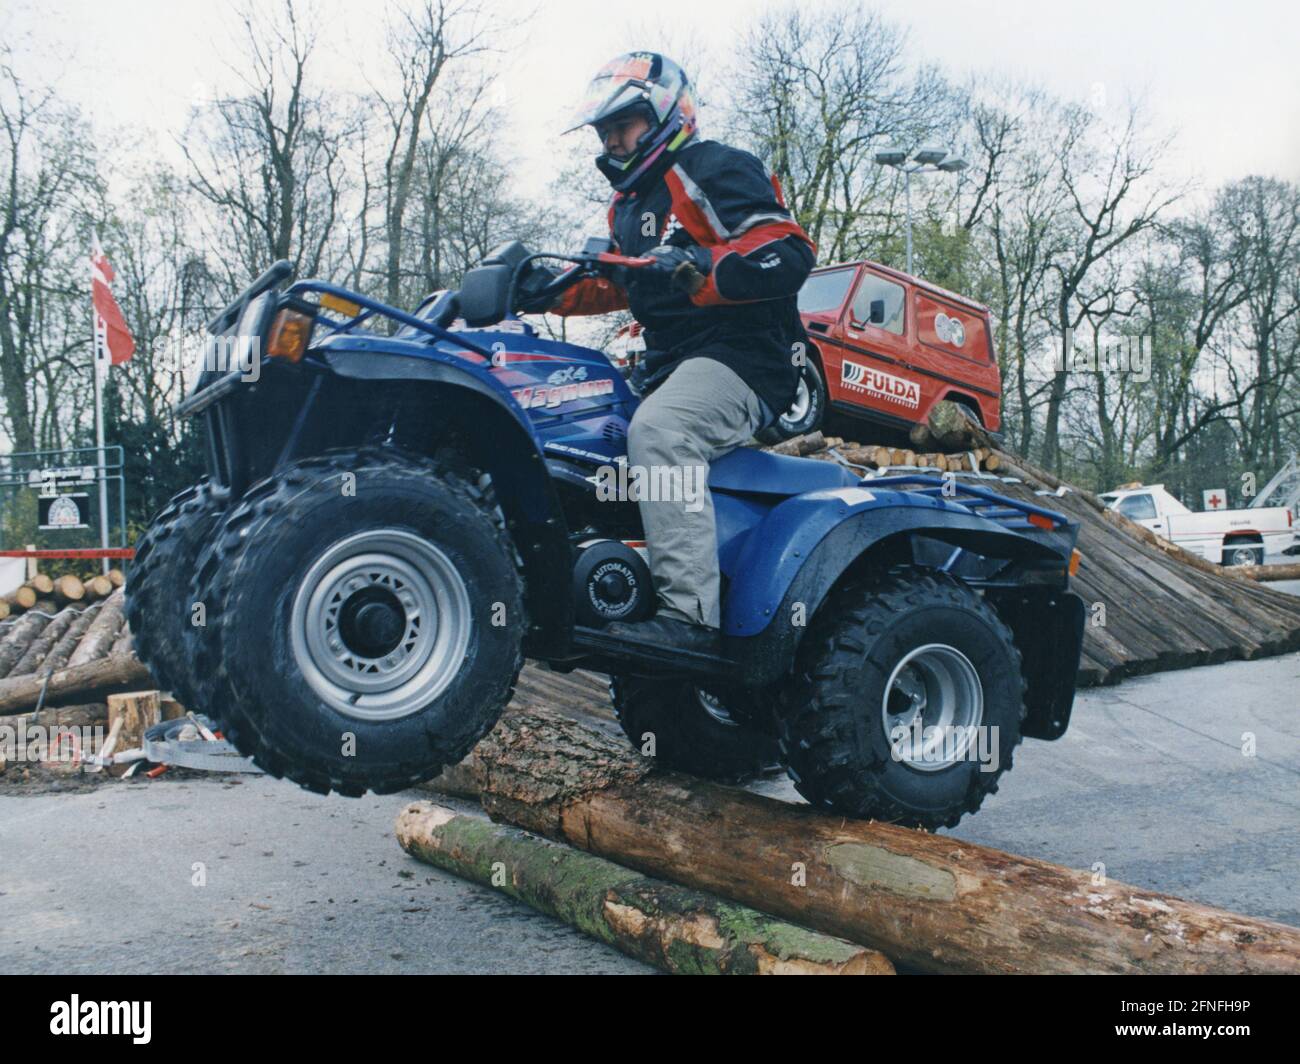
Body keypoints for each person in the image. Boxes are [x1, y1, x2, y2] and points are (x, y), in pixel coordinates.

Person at [546, 51, 816, 653]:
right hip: (673, 365)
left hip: (749, 357)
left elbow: (788, 252)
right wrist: (541, 288)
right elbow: (614, 280)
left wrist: (702, 264)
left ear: (665, 112)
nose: (613, 139)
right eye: (605, 130)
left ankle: (689, 616)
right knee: (581, 423)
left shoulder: (711, 169)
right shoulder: (629, 205)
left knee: (662, 431)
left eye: (624, 123)